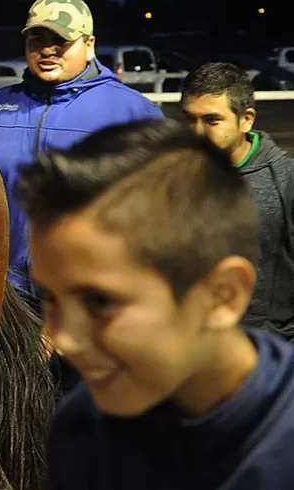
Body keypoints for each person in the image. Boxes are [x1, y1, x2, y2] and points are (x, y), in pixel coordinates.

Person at [15, 119, 294, 488]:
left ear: (222, 295)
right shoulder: (82, 428)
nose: (64, 341)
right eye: (51, 296)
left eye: (100, 301)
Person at [0, 0, 163, 300]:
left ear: (90, 45)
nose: (47, 50)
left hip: (90, 301)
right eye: (37, 39)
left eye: (61, 41)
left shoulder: (134, 113)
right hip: (4, 298)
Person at [181, 61, 294, 340]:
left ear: (247, 119)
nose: (198, 133)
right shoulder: (170, 179)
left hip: (268, 356)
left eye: (211, 120)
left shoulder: (286, 181)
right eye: (189, 119)